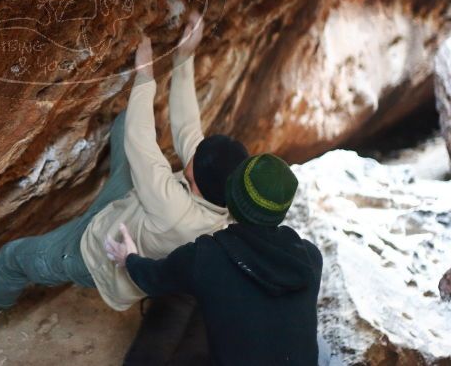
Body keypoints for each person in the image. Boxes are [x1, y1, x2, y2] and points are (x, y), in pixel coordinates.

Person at [0, 11, 248, 318]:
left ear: (194, 177)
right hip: (127, 209)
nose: (193, 148)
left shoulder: (175, 210)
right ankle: (99, 198)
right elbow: (187, 128)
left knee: (11, 257)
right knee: (124, 122)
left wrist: (144, 74)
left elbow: (140, 142)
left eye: (196, 156)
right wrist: (184, 56)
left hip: (93, 253)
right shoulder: (219, 194)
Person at [105, 153, 323, 366]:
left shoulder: (207, 257)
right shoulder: (311, 259)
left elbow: (154, 278)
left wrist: (129, 258)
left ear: (232, 198)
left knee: (183, 294)